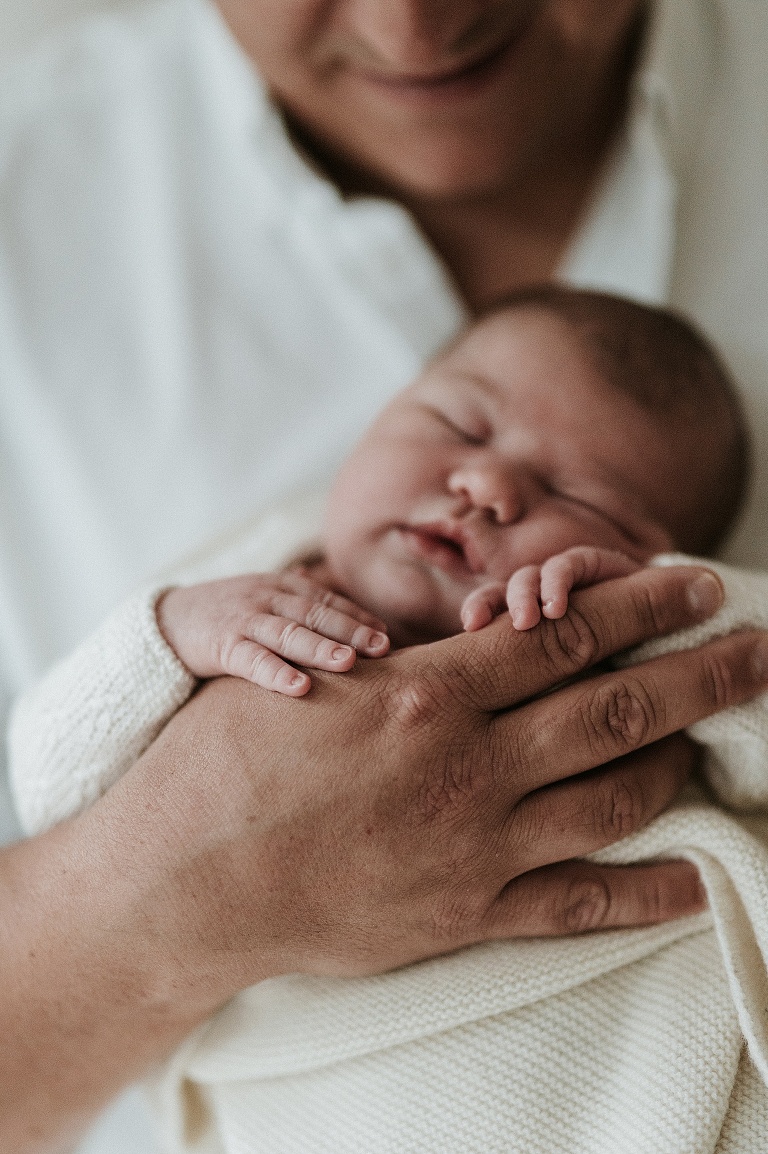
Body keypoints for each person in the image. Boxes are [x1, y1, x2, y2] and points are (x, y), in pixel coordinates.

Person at [2, 1, 768, 1151]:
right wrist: (165, 850)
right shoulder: (243, 568)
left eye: (586, 508)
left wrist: (668, 640)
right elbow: (56, 751)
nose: (412, 26)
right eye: (456, 424)